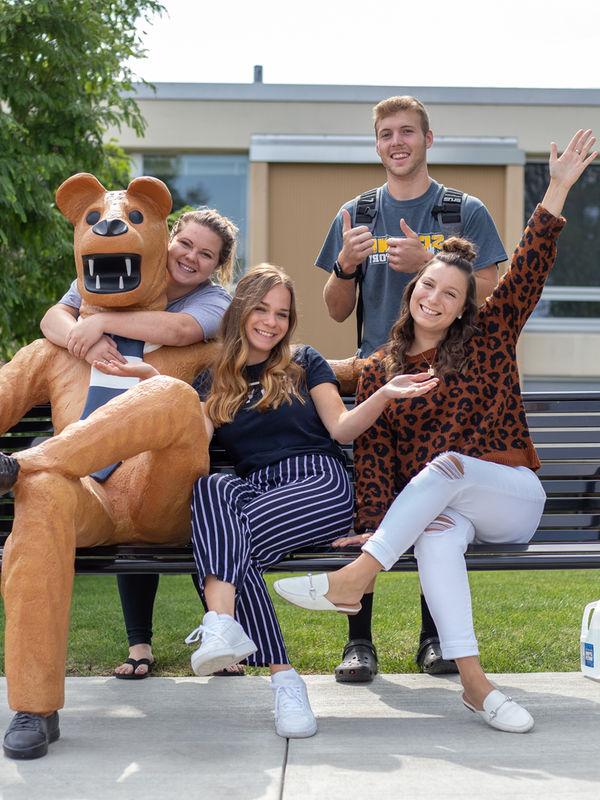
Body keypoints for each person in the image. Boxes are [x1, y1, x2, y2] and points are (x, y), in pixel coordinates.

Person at [275, 130, 597, 733]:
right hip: (451, 508)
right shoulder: (380, 371)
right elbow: (369, 454)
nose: (435, 298)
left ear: (461, 305)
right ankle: (476, 686)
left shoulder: (491, 335)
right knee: (439, 536)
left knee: (445, 467)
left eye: (450, 293)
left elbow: (528, 266)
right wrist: (373, 522)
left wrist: (556, 187)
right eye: (428, 286)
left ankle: (354, 580)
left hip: (512, 496)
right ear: (411, 291)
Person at [168, 262, 436, 738]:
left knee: (220, 556)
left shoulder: (304, 361)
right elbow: (193, 448)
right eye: (262, 310)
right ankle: (279, 674)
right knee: (211, 494)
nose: (271, 322)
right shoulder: (212, 382)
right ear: (240, 312)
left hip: (319, 482)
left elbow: (342, 428)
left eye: (282, 314)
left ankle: (225, 626)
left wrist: (383, 395)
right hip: (256, 489)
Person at [315, 95, 509, 681]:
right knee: (368, 495)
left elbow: (493, 296)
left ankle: (432, 639)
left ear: (429, 138)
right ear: (376, 144)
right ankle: (359, 642)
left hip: (446, 377)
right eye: (385, 134)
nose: (396, 142)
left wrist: (429, 263)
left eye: (407, 132)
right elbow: (333, 308)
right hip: (379, 376)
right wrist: (347, 267)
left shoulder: (462, 211)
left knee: (437, 505)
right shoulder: (356, 213)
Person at [41, 207, 237, 679]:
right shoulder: (121, 269)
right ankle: (139, 646)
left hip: (175, 425)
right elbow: (53, 318)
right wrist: (80, 336)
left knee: (181, 503)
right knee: (123, 504)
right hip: (107, 419)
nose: (191, 257)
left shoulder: (215, 301)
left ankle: (220, 638)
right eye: (185, 243)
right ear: (169, 238)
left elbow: (179, 331)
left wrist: (103, 320)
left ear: (217, 266)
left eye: (205, 254)